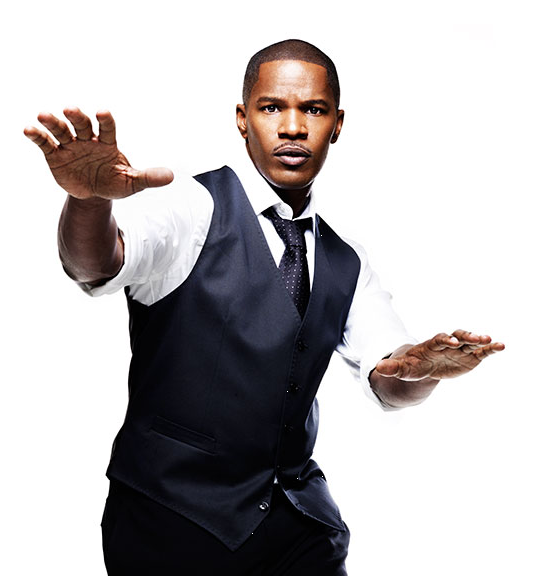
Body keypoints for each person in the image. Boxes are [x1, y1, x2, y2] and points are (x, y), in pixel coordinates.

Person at [24, 39, 504, 576]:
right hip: (170, 520)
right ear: (243, 118)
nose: (293, 127)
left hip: (298, 528)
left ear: (337, 124)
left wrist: (421, 370)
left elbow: (389, 376)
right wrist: (89, 200)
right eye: (272, 107)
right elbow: (95, 264)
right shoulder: (189, 206)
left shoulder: (346, 260)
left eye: (314, 110)